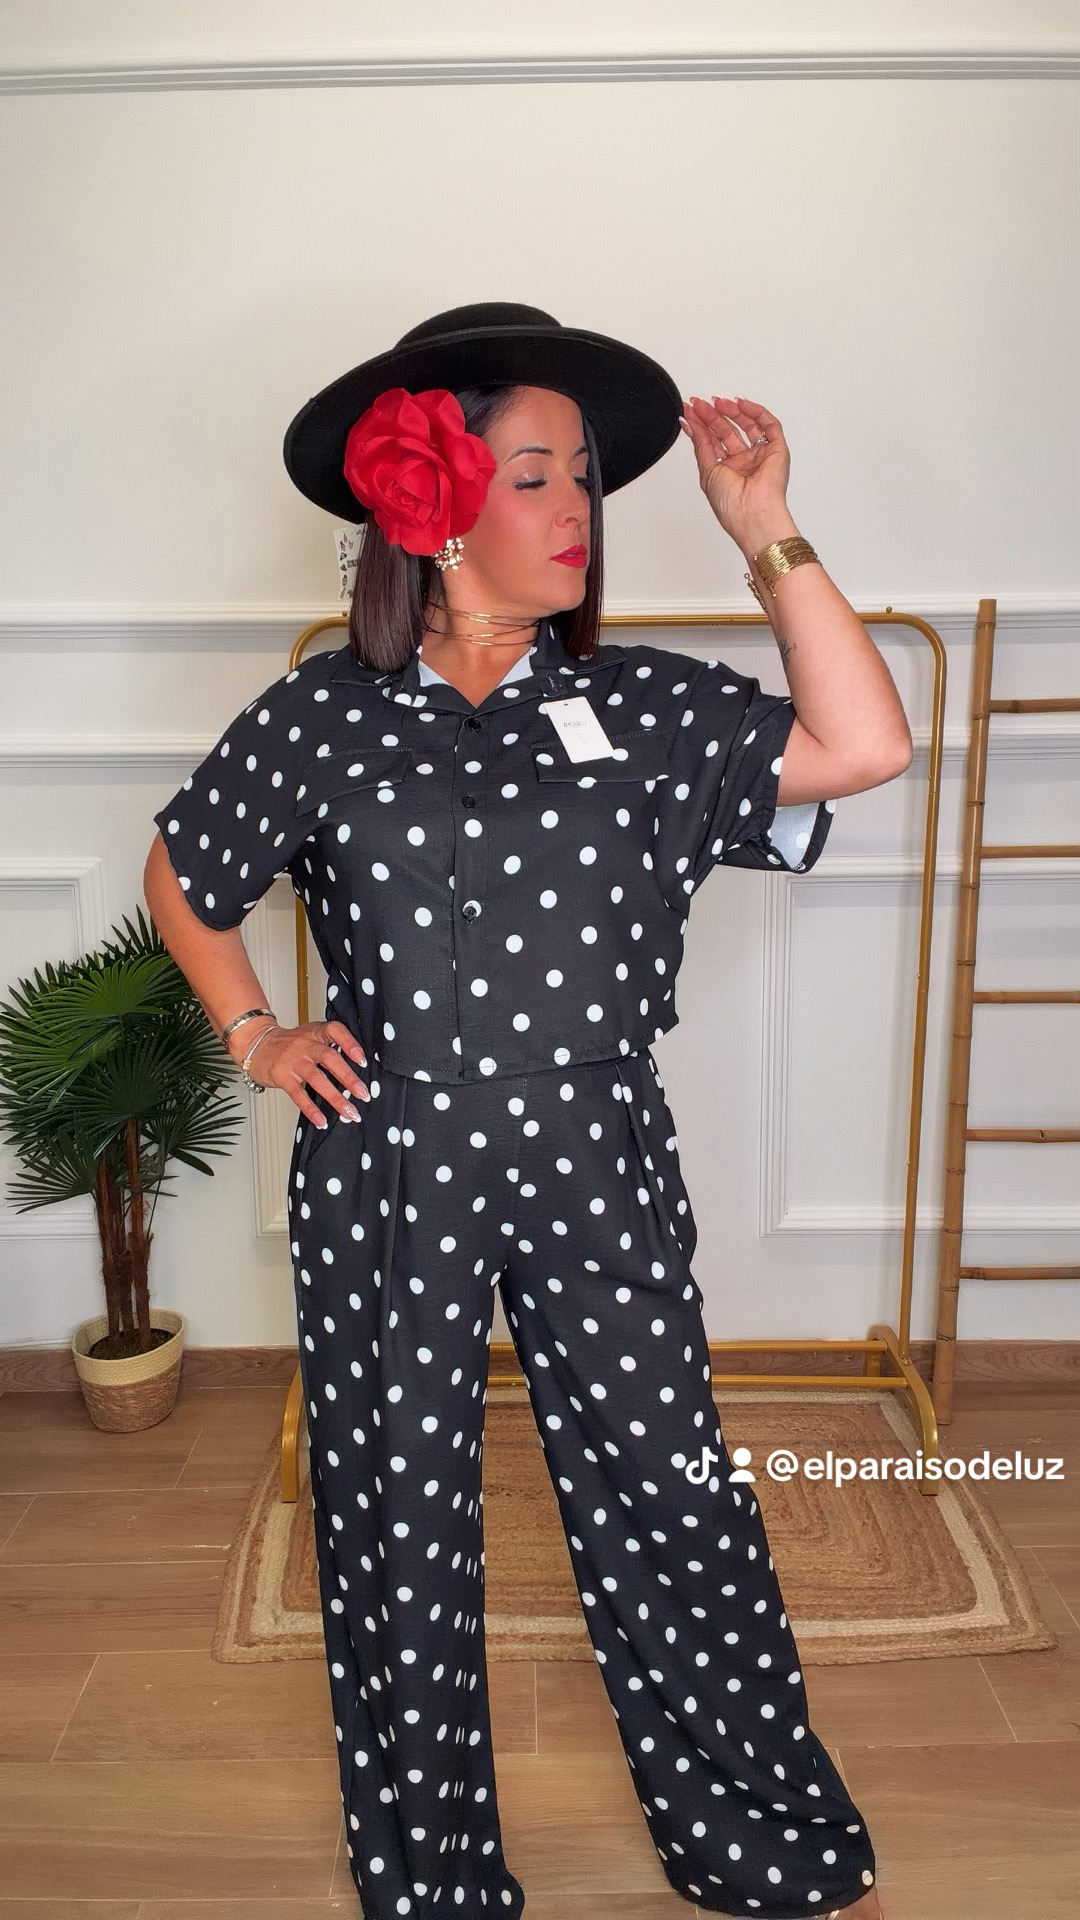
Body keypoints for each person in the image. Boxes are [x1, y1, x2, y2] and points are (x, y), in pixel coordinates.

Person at [144, 302, 909, 1920]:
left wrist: (764, 527)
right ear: (431, 506)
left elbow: (864, 743)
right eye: (538, 475)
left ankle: (757, 1842)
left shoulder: (641, 707)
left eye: (587, 481)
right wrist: (261, 1037)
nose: (578, 511)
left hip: (591, 1153)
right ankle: (435, 1881)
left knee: (670, 1495)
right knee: (399, 1520)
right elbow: (184, 869)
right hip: (388, 1164)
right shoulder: (323, 717)